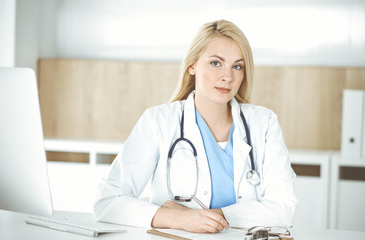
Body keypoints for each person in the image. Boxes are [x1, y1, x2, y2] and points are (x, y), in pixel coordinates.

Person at [94, 19, 297, 233]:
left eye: (237, 66)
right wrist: (176, 219)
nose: (227, 77)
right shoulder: (158, 122)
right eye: (216, 63)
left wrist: (204, 217)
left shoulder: (263, 124)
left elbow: (283, 209)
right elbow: (107, 201)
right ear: (192, 65)